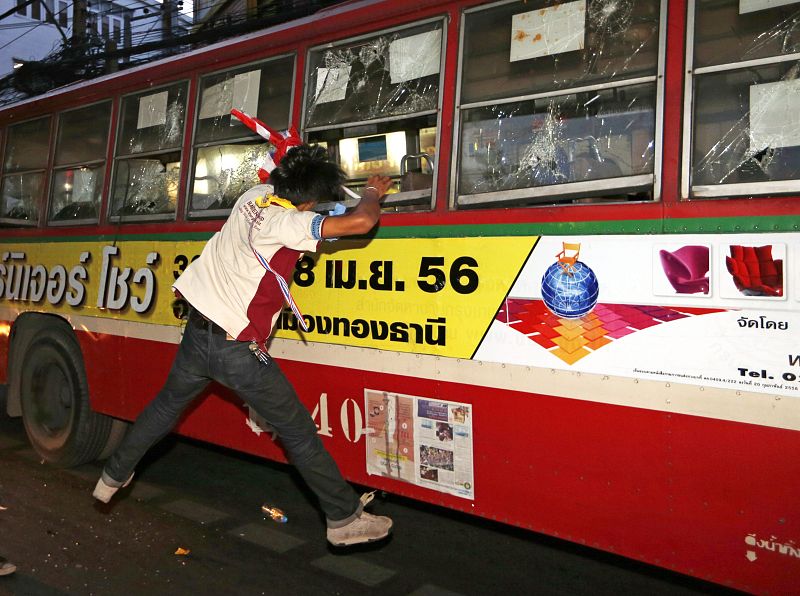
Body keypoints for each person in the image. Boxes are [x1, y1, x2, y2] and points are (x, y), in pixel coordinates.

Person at [93, 144, 394, 547]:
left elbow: (303, 209)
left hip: (198, 333)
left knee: (165, 407)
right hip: (237, 350)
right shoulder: (288, 224)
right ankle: (343, 519)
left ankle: (112, 476)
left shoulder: (254, 197)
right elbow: (361, 222)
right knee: (298, 430)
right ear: (305, 201)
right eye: (314, 203)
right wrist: (373, 191)